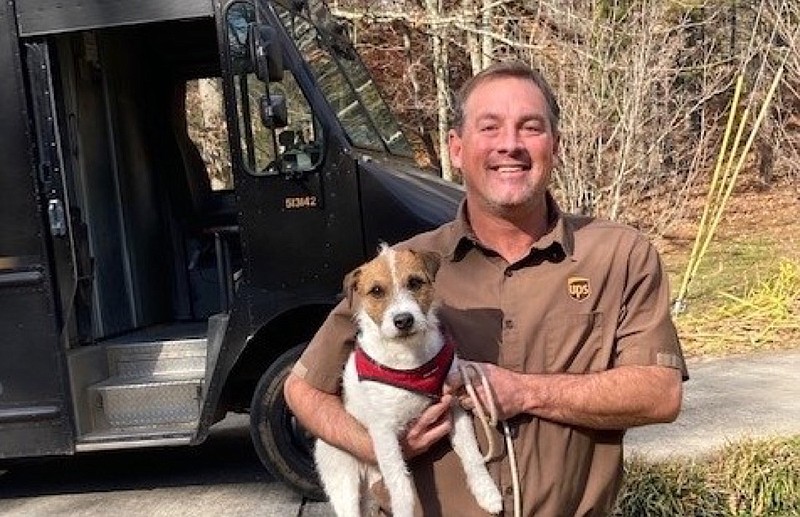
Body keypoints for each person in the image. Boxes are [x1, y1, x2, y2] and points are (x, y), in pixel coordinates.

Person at [284, 60, 687, 516]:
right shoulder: (403, 268)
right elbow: (303, 390)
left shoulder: (618, 254)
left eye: (530, 127)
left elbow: (660, 393)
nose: (510, 145)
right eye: (489, 127)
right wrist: (382, 445)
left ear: (556, 145)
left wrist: (527, 391)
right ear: (457, 148)